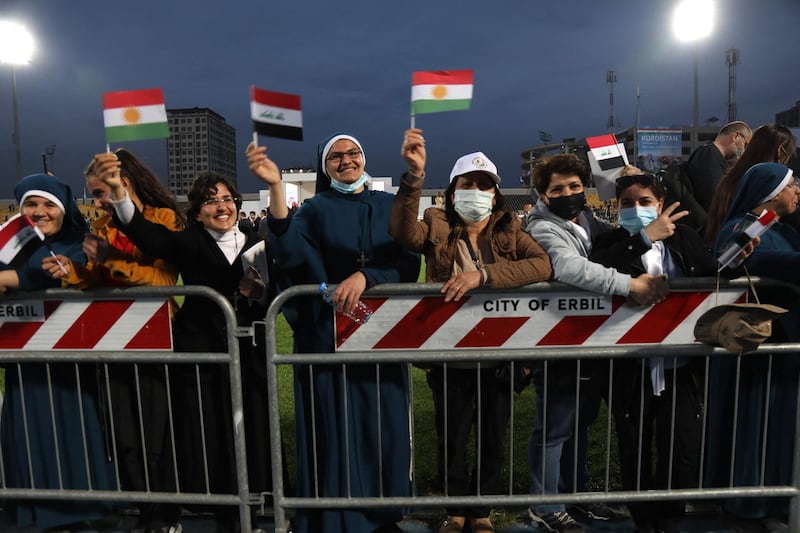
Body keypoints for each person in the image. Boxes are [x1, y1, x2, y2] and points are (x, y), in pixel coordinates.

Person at [246, 133, 420, 533]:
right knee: (335, 426)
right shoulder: (313, 209)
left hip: (379, 337)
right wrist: (275, 186)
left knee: (383, 427)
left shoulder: (389, 205)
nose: (346, 161)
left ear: (364, 157)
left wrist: (367, 275)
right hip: (329, 338)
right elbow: (289, 251)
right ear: (325, 167)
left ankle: (383, 513)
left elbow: (408, 262)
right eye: (336, 157)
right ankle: (336, 514)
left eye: (353, 153)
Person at [93, 156, 275, 531]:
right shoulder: (189, 242)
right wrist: (118, 191)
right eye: (210, 201)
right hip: (202, 355)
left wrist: (261, 292)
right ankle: (221, 507)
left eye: (226, 198)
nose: (221, 207)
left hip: (250, 352)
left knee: (253, 427)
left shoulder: (258, 242)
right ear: (196, 213)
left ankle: (256, 508)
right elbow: (145, 233)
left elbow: (280, 287)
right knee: (210, 428)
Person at [390, 129, 552, 533]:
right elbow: (403, 234)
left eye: (485, 185)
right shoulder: (435, 222)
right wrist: (412, 177)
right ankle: (455, 507)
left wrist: (484, 276)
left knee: (494, 435)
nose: (477, 191)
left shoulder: (510, 227)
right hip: (448, 352)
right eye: (468, 184)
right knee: (452, 435)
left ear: (495, 195)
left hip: (500, 351)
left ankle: (481, 511)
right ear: (452, 190)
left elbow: (542, 265)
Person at [525, 155, 669, 533]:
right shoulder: (543, 227)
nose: (568, 194)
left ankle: (574, 494)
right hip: (557, 338)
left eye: (575, 187)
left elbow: (613, 239)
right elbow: (569, 268)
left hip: (585, 339)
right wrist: (629, 284)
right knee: (555, 426)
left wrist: (633, 185)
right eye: (558, 189)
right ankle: (544, 504)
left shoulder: (585, 219)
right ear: (542, 193)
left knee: (580, 422)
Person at [44, 149, 184, 532]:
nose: (98, 202)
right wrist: (70, 271)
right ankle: (144, 512)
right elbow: (93, 278)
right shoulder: (102, 226)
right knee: (123, 436)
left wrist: (111, 259)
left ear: (127, 182)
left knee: (154, 436)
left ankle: (167, 515)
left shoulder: (164, 219)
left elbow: (161, 282)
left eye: (102, 192)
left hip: (154, 340)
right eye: (93, 194)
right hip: (111, 342)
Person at [589, 172, 729, 532]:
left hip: (681, 365)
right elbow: (598, 270)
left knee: (681, 443)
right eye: (627, 203)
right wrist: (642, 238)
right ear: (616, 208)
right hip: (629, 365)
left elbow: (713, 275)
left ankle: (671, 515)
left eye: (645, 202)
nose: (636, 208)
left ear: (661, 204)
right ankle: (643, 519)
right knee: (634, 443)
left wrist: (738, 258)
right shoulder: (611, 242)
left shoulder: (685, 238)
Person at [0, 173, 117, 531]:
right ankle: (33, 509)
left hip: (71, 371)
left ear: (65, 208)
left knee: (73, 430)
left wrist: (10, 279)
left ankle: (82, 507)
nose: (40, 212)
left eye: (49, 204)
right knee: (27, 434)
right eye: (30, 205)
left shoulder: (81, 243)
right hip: (25, 371)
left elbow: (41, 273)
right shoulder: (11, 246)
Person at [705, 162, 800, 529]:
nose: (797, 192)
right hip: (760, 352)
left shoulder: (782, 228)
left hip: (781, 351)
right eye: (792, 186)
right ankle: (753, 502)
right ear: (771, 194)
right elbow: (731, 257)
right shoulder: (744, 226)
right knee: (756, 425)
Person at [704, 123, 797, 244]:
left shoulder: (731, 176)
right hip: (750, 249)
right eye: (788, 153)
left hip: (721, 247)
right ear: (780, 151)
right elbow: (758, 225)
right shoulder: (765, 185)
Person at [687, 121, 752, 211]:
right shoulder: (707, 155)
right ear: (736, 136)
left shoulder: (713, 156)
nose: (744, 150)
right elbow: (715, 197)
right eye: (745, 144)